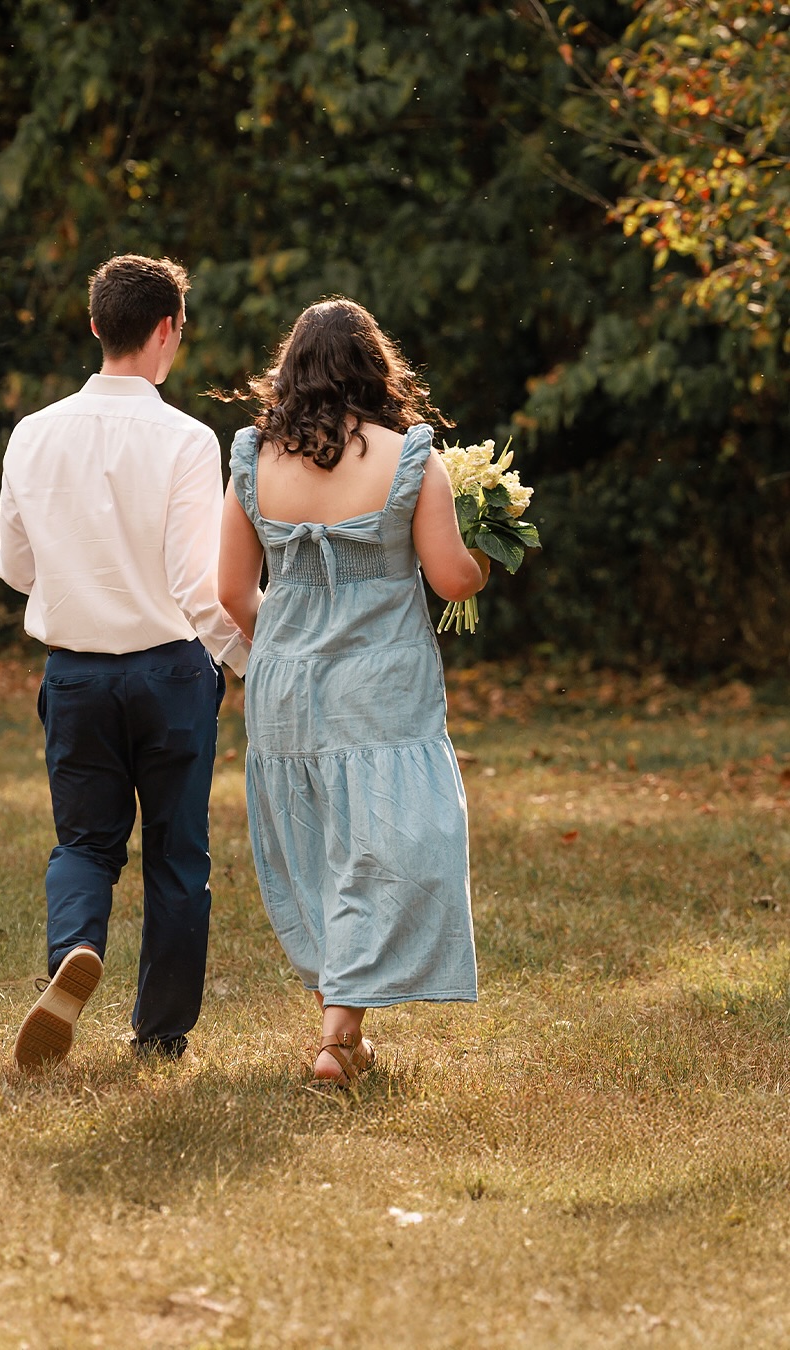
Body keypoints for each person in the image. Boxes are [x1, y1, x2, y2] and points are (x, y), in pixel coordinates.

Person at [217, 298, 489, 1086]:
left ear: (292, 370)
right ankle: (339, 1036)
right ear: (377, 367)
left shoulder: (253, 458)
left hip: (286, 688)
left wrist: (293, 644)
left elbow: (232, 591)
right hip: (382, 686)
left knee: (317, 847)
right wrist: (479, 558)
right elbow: (449, 576)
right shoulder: (409, 458)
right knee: (395, 842)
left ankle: (341, 1030)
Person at [0, 253, 250, 1069]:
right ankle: (161, 1033)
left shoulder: (33, 433)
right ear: (168, 328)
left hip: (75, 674)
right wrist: (245, 659)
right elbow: (194, 579)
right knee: (177, 851)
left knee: (83, 844)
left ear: (97, 324)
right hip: (171, 672)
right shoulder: (185, 438)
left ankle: (74, 947)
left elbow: (15, 567)